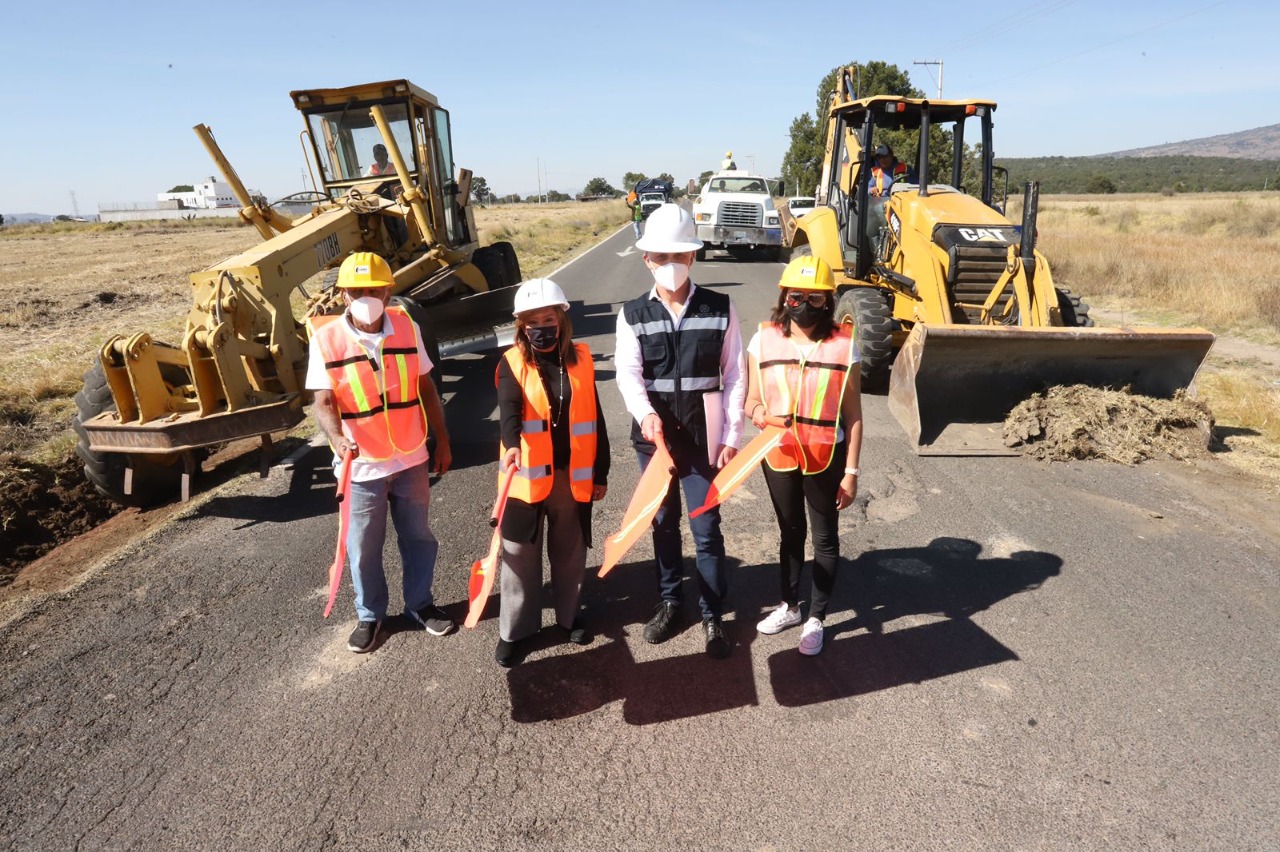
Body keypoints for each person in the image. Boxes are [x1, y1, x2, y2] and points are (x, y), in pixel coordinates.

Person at [614, 203, 746, 659]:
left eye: (679, 257)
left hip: (704, 441)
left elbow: (736, 375)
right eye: (660, 257)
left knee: (706, 527)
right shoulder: (631, 314)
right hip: (654, 443)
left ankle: (713, 613)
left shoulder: (721, 307)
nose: (670, 266)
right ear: (646, 258)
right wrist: (645, 414)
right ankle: (671, 601)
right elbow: (628, 375)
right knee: (663, 523)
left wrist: (732, 436)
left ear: (693, 257)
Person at [306, 251, 454, 653]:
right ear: (343, 295)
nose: (366, 296)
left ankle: (421, 605)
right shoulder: (326, 339)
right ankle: (370, 616)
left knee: (419, 537)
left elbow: (427, 387)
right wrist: (337, 439)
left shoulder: (406, 327)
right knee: (363, 547)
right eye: (357, 290)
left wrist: (442, 438)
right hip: (363, 464)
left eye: (374, 289)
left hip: (411, 456)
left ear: (389, 291)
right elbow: (323, 401)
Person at [743, 254, 863, 656]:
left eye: (816, 299)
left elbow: (854, 414)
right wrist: (761, 414)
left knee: (824, 538)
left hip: (827, 455)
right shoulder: (763, 340)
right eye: (798, 297)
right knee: (790, 533)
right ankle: (790, 606)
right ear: (784, 296)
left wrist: (851, 472)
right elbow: (750, 401)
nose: (806, 306)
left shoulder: (845, 346)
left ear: (828, 301)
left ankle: (816, 618)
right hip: (778, 454)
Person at [494, 278, 610, 667]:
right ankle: (515, 630)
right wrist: (511, 445)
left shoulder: (581, 358)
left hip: (571, 474)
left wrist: (601, 472)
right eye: (531, 320)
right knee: (518, 555)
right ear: (520, 326)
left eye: (548, 317)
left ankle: (569, 616)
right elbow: (509, 411)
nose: (541, 326)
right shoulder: (511, 362)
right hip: (525, 474)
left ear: (561, 319)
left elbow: (595, 417)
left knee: (570, 550)